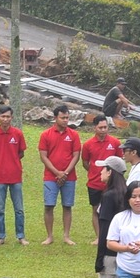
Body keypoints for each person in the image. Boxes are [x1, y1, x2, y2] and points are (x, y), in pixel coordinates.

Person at [92, 156, 132, 278]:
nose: (100, 171)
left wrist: (99, 258)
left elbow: (105, 230)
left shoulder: (109, 196)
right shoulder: (126, 193)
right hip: (124, 253)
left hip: (111, 255)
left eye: (104, 168)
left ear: (110, 172)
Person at [38, 104, 82, 245]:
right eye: (62, 118)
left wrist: (66, 172)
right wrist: (57, 173)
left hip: (69, 176)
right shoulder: (46, 135)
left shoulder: (73, 135)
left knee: (67, 206)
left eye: (67, 118)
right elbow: (43, 156)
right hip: (51, 177)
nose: (65, 120)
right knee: (49, 206)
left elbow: (76, 155)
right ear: (55, 118)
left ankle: (66, 236)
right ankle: (49, 236)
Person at [0, 106, 28, 245]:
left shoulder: (17, 134)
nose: (5, 119)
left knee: (19, 209)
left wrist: (12, 163)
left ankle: (21, 236)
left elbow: (21, 153)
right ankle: (1, 236)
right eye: (3, 116)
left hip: (15, 176)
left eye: (8, 116)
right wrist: (0, 163)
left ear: (12, 117)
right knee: (0, 209)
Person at [82, 114, 122, 238]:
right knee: (95, 210)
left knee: (113, 209)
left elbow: (119, 161)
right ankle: (99, 237)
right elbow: (85, 162)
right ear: (95, 128)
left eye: (105, 127)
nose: (103, 130)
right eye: (101, 127)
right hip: (94, 183)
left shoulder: (115, 142)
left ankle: (111, 235)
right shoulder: (88, 144)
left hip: (111, 184)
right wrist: (95, 172)